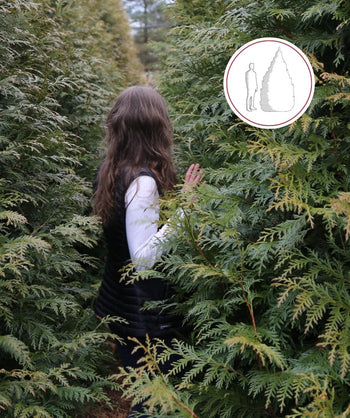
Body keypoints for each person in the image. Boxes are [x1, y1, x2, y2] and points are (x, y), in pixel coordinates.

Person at [93, 86, 202, 417]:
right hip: (145, 317)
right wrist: (185, 206)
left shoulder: (110, 169)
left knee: (143, 394)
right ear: (157, 127)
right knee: (152, 404)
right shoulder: (143, 183)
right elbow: (142, 260)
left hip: (121, 304)